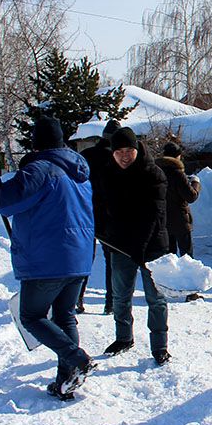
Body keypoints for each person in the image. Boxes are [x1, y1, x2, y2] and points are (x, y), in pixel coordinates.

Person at [0, 116, 96, 400]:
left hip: (47, 259)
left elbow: (5, 201)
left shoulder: (42, 169)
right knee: (64, 316)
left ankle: (76, 358)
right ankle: (66, 379)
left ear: (36, 142)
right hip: (78, 258)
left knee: (31, 316)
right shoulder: (80, 173)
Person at [96, 127, 172, 365]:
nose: (124, 156)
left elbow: (153, 215)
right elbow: (99, 206)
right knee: (120, 296)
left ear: (137, 149)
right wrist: (100, 231)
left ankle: (159, 346)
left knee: (156, 299)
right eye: (119, 152)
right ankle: (123, 338)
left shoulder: (153, 174)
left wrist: (140, 248)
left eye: (129, 150)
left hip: (153, 247)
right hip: (120, 247)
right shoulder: (107, 174)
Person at [78, 119, 120, 314]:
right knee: (111, 261)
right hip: (109, 216)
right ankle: (110, 302)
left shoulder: (85, 155)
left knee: (84, 259)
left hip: (85, 213)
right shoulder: (115, 159)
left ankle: (77, 299)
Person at [156, 141, 201, 258]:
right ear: (178, 156)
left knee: (169, 257)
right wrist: (195, 183)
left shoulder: (155, 172)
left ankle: (170, 276)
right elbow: (191, 197)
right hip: (181, 221)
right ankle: (188, 276)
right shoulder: (177, 173)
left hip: (163, 220)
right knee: (187, 257)